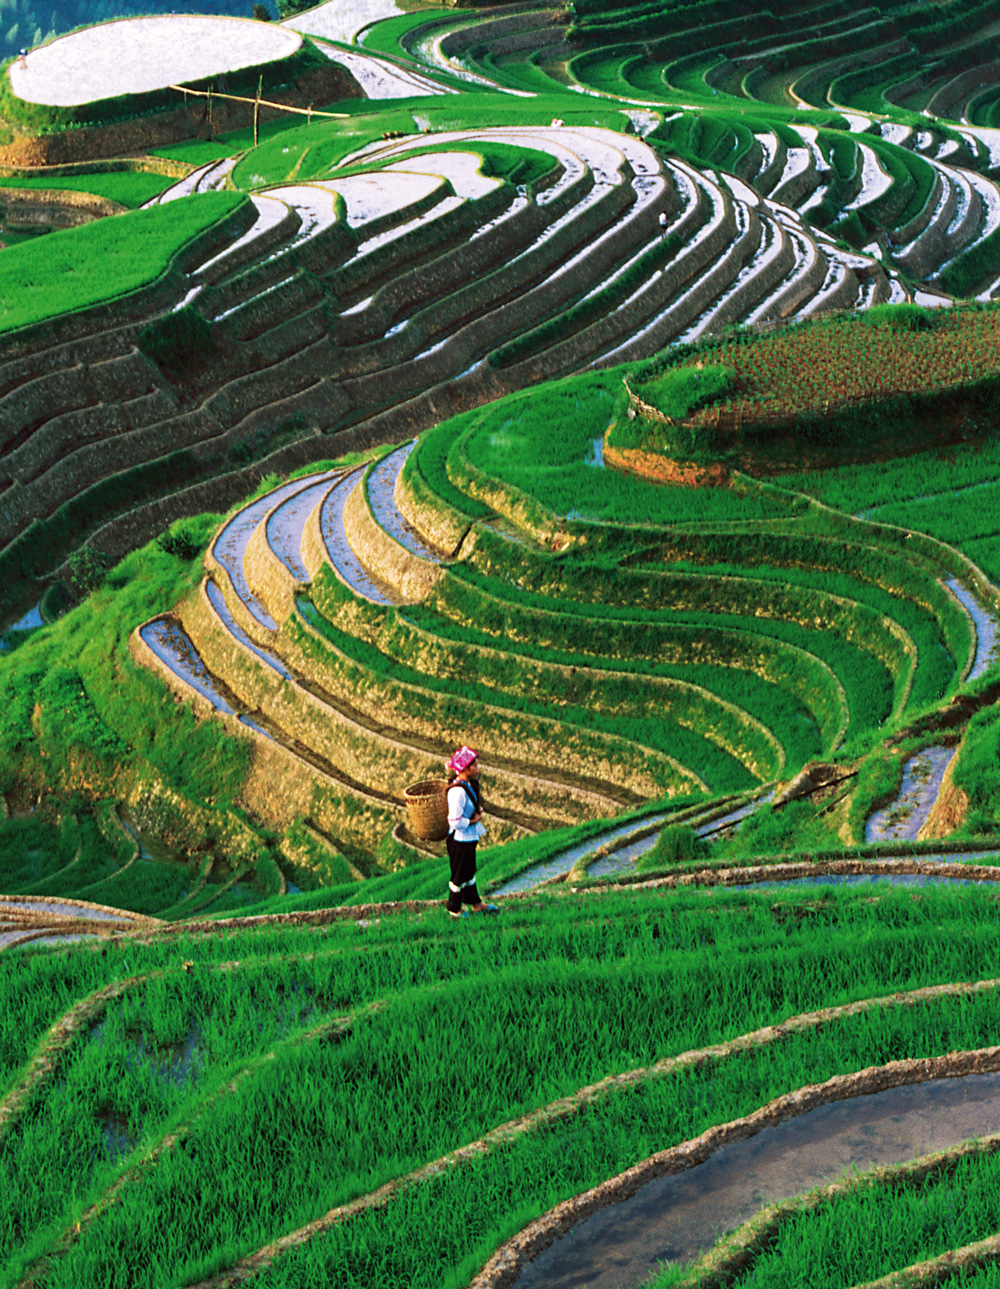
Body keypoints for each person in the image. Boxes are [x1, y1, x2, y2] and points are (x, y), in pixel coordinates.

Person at [445, 746, 497, 918]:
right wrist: (473, 820)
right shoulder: (457, 792)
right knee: (459, 874)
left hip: (468, 838)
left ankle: (476, 903)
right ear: (466, 769)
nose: (478, 768)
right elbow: (454, 820)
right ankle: (454, 909)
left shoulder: (468, 785)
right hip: (460, 840)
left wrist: (477, 810)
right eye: (475, 765)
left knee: (469, 871)